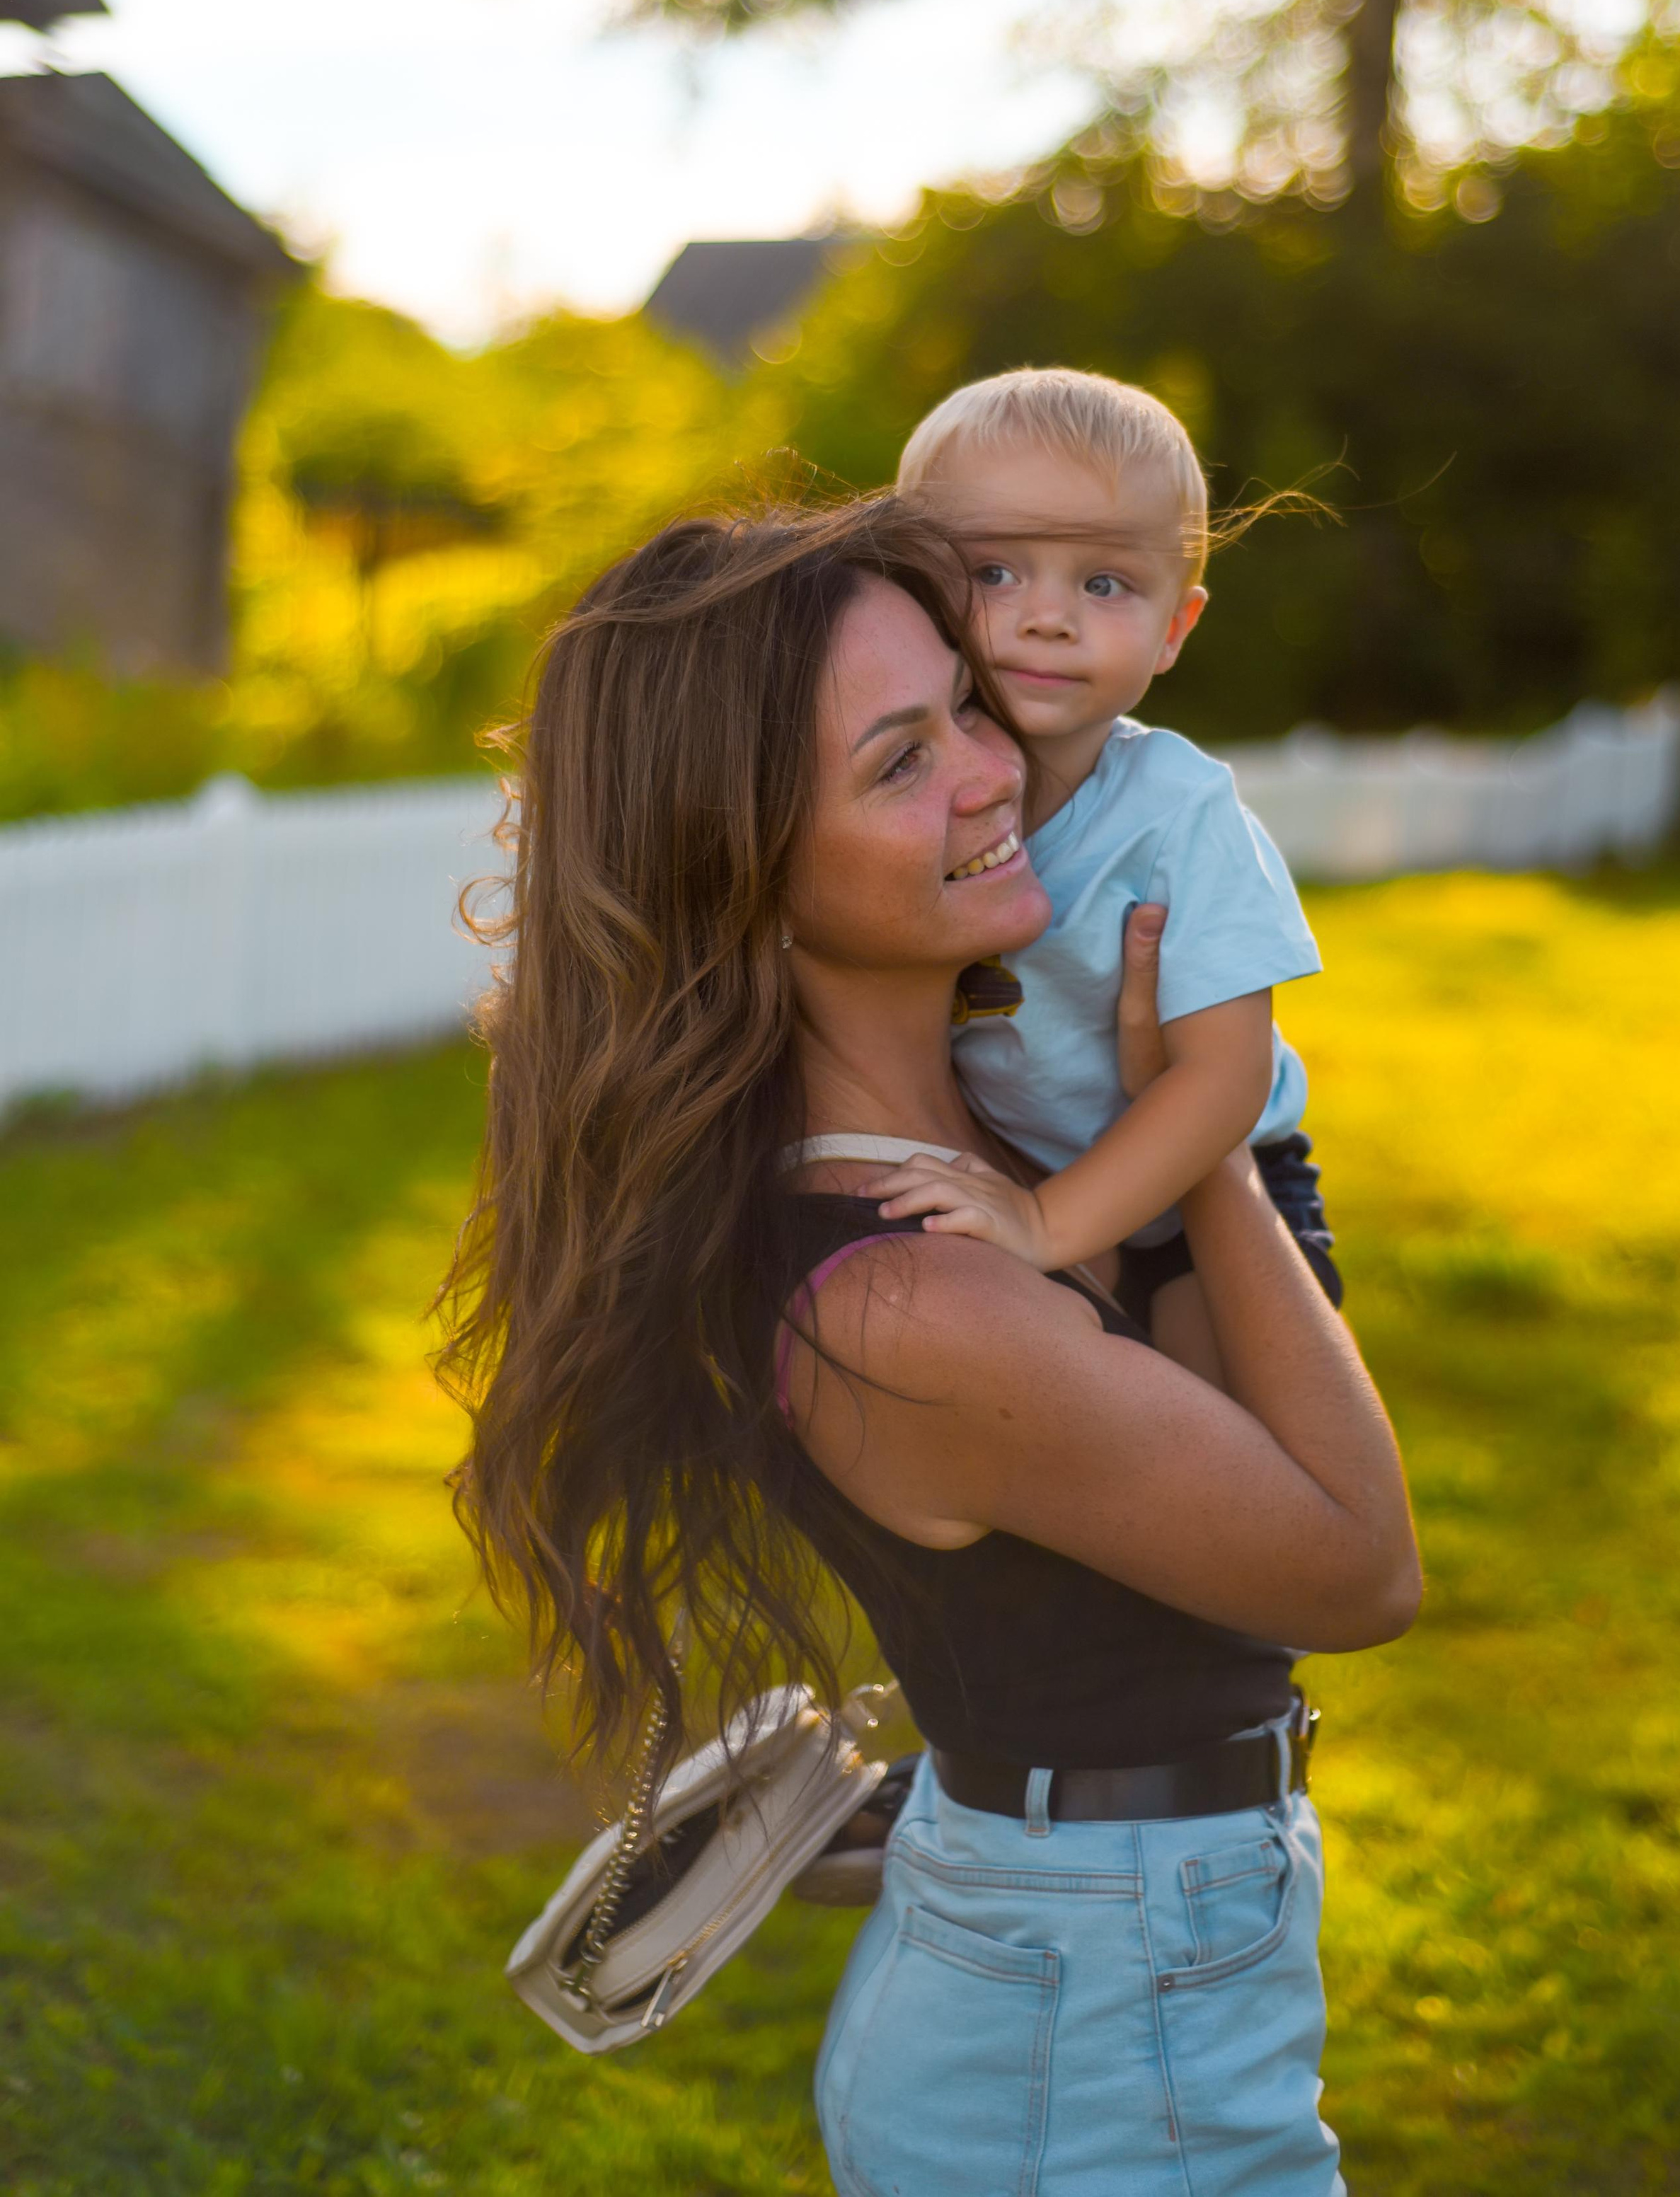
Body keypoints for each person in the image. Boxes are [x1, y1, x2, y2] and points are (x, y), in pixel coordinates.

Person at [438, 495, 1420, 2197]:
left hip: (1118, 1966)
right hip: (1089, 2051)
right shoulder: (904, 1302)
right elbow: (1350, 1566)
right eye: (899, 764)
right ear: (739, 878)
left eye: (967, 705)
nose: (991, 770)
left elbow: (1213, 1424)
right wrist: (1218, 1110)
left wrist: (1150, 1120)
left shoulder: (984, 1142)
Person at [887, 366, 1341, 1376]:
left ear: (1176, 626)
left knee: (1213, 1429)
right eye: (996, 572)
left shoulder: (1180, 813)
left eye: (1103, 583)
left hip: (1207, 1182)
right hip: (1015, 1167)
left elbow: (1225, 1079)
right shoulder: (894, 794)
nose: (1048, 616)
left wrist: (1048, 1223)